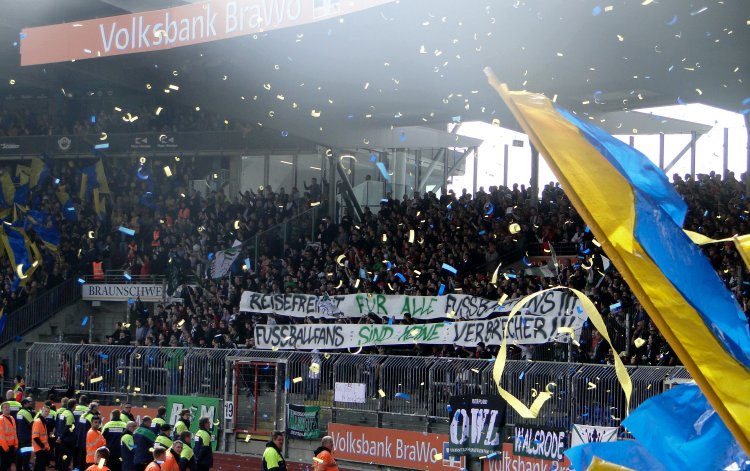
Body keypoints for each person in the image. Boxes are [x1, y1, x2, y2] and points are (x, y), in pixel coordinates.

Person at [56, 398, 76, 471]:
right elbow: (68, 428)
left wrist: (59, 437)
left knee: (61, 456)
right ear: (74, 406)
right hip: (68, 440)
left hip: (62, 439)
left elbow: (60, 426)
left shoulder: (63, 413)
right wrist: (61, 437)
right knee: (66, 458)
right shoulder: (70, 415)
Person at [16, 398, 34, 471]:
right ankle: (26, 468)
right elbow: (32, 424)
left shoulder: (19, 412)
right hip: (27, 437)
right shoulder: (26, 413)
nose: (30, 403)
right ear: (25, 404)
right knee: (26, 454)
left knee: (20, 453)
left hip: (20, 436)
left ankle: (19, 468)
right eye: (28, 403)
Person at [31, 404, 51, 471]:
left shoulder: (43, 421)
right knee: (41, 466)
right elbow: (35, 437)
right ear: (42, 411)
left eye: (48, 412)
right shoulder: (38, 422)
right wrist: (43, 447)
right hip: (39, 448)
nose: (47, 413)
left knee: (38, 465)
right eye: (45, 411)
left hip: (41, 447)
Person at [0, 402, 18, 471]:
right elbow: (1, 435)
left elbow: (14, 432)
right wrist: (5, 447)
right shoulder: (1, 419)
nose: (7, 408)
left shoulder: (12, 418)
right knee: (4, 465)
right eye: (5, 407)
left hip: (12, 446)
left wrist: (16, 444)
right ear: (2, 410)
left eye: (8, 407)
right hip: (4, 447)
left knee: (9, 464)